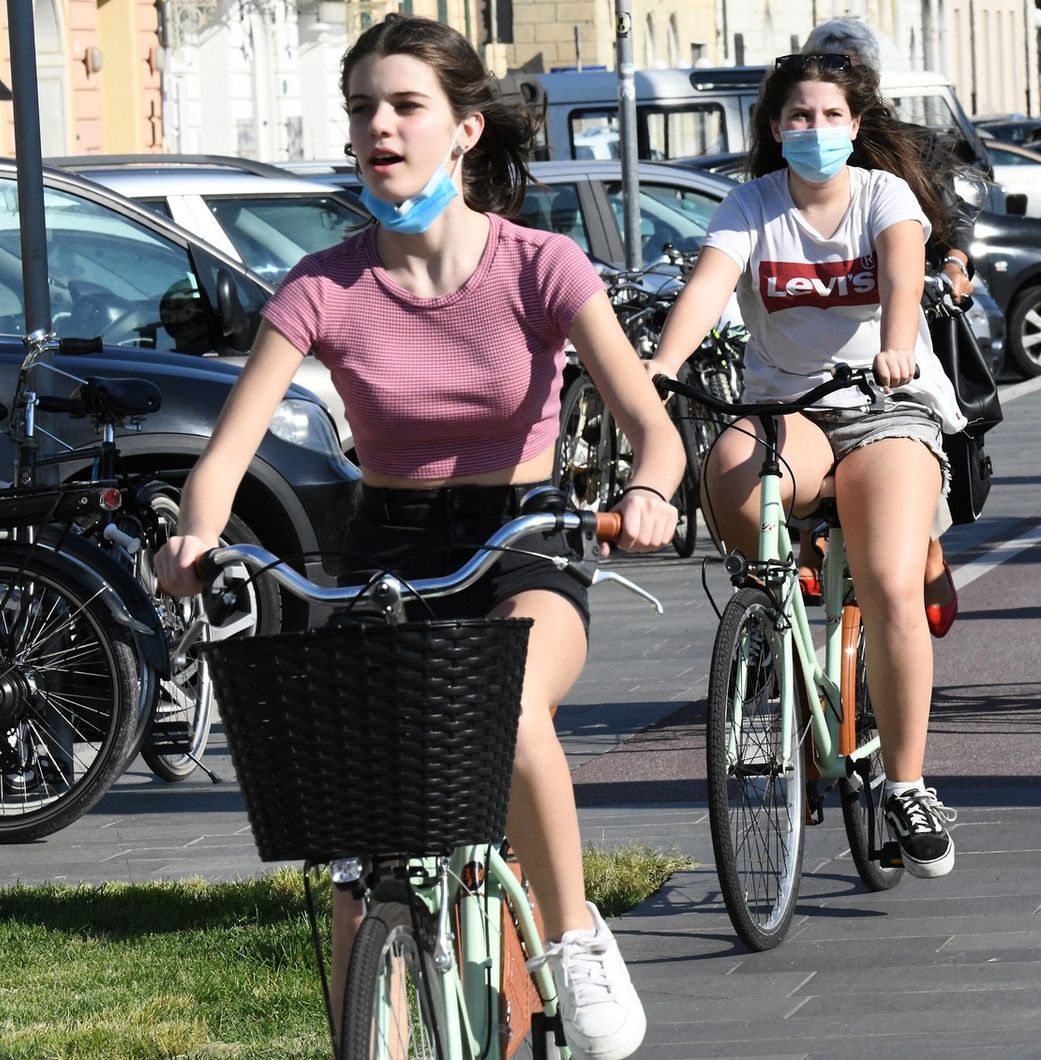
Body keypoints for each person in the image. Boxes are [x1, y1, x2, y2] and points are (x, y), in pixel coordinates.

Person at [154, 15, 682, 1059]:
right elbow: (226, 449)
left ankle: (573, 937)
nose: (379, 127)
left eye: (405, 106)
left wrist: (656, 489)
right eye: (362, 109)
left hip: (522, 534)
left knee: (511, 695)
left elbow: (650, 426)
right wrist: (192, 535)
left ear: (465, 129)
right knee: (368, 850)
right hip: (386, 544)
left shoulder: (541, 265)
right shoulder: (324, 283)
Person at [644, 54, 964, 877]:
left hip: (884, 405)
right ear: (775, 127)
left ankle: (906, 782)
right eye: (796, 117)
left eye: (828, 116)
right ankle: (777, 644)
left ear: (854, 126)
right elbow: (710, 285)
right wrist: (662, 364)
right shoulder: (752, 204)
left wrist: (898, 345)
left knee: (891, 583)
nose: (812, 131)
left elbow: (901, 271)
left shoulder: (882, 195)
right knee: (731, 475)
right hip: (788, 407)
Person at [799, 17, 978, 638]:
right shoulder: (791, 136)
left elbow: (954, 219)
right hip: (811, 316)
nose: (836, 73)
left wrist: (953, 265)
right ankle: (794, 557)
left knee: (921, 414)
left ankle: (927, 547)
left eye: (849, 64)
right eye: (825, 60)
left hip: (904, 309)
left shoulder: (917, 145)